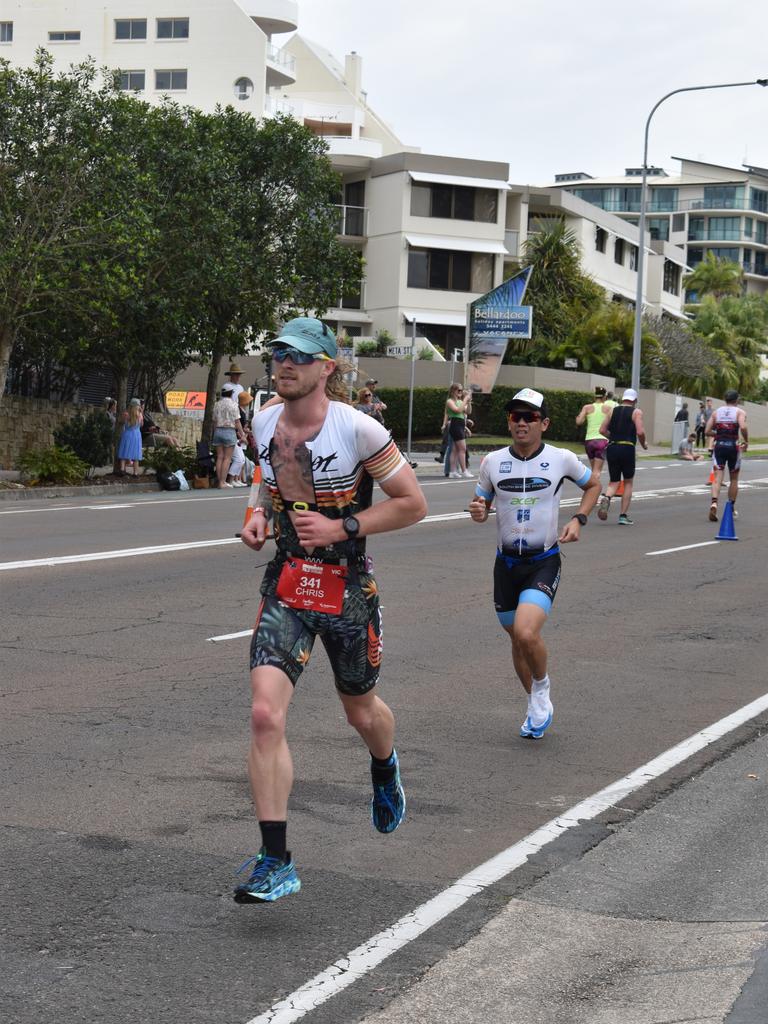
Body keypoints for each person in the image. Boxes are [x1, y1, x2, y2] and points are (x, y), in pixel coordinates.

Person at [236, 317, 427, 904]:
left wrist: (344, 523)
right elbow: (268, 476)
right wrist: (258, 514)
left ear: (327, 367)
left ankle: (384, 765)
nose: (284, 363)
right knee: (266, 715)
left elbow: (413, 503)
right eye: (277, 354)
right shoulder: (266, 417)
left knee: (361, 711)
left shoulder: (360, 430)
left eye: (298, 355)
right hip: (289, 582)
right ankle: (276, 860)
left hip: (346, 588)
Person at [468, 387, 600, 740]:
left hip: (543, 561)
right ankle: (534, 703)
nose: (521, 423)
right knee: (516, 639)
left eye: (529, 417)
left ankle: (541, 689)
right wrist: (479, 510)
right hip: (506, 565)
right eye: (515, 417)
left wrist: (579, 520)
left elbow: (593, 485)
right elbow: (480, 505)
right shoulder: (492, 462)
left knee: (528, 632)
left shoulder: (561, 459)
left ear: (544, 423)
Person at [597, 387, 648, 525]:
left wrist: (612, 436)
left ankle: (607, 498)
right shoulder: (636, 412)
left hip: (612, 447)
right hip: (627, 447)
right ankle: (623, 516)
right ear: (635, 400)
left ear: (623, 399)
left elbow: (601, 430)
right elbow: (640, 432)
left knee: (614, 481)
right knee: (628, 482)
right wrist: (644, 445)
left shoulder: (612, 410)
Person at [706, 389, 748, 522]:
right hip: (733, 447)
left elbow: (707, 431)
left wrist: (717, 434)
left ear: (725, 399)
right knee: (734, 479)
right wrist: (746, 440)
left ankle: (714, 503)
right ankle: (730, 507)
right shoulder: (740, 412)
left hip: (719, 446)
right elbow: (743, 427)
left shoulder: (716, 412)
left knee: (718, 477)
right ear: (737, 400)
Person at [575, 386, 617, 479]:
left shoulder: (587, 407)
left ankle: (591, 490)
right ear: (605, 397)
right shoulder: (609, 408)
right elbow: (614, 424)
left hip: (589, 441)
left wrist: (578, 417)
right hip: (602, 441)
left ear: (595, 397)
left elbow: (579, 422)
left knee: (593, 470)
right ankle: (593, 491)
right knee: (597, 472)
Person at [211, 384, 246, 489]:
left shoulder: (217, 404)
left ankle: (219, 482)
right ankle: (222, 482)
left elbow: (214, 421)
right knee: (227, 458)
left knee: (220, 457)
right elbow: (237, 421)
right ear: (231, 393)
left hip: (218, 431)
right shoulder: (234, 405)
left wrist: (214, 432)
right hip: (229, 431)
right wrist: (242, 435)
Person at [445, 383, 473, 479]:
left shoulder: (461, 401)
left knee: (455, 450)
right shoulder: (450, 401)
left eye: (461, 390)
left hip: (460, 425)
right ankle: (464, 470)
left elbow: (468, 411)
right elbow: (457, 410)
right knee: (462, 449)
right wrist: (465, 400)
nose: (460, 392)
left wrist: (468, 402)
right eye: (459, 390)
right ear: (453, 391)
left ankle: (452, 471)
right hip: (455, 424)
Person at [116, 397, 143, 475]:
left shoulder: (126, 414)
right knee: (136, 455)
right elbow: (141, 425)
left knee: (124, 451)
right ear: (138, 406)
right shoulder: (140, 415)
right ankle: (135, 473)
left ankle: (122, 469)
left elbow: (121, 422)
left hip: (127, 434)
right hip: (137, 435)